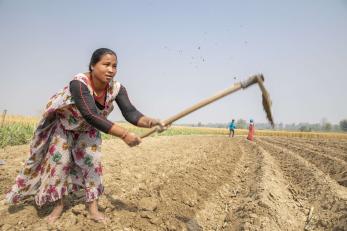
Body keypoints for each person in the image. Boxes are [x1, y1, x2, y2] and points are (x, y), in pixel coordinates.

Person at [5, 48, 165, 224]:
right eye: (106, 65)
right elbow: (90, 114)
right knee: (59, 164)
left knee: (92, 164)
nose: (111, 70)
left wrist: (151, 122)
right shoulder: (79, 84)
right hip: (65, 126)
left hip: (88, 129)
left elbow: (131, 113)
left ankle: (93, 208)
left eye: (114, 66)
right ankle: (58, 205)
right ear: (92, 66)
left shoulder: (116, 89)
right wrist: (124, 134)